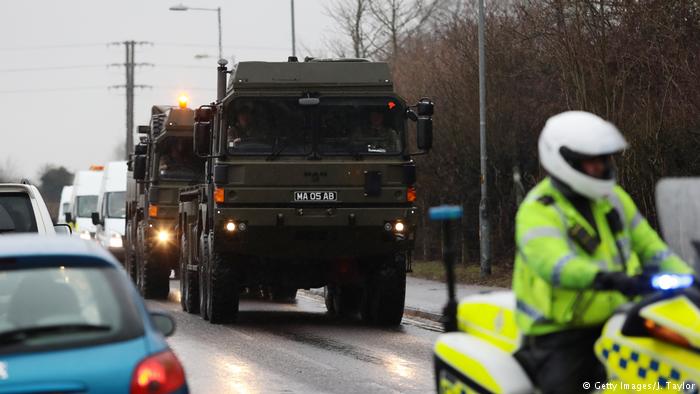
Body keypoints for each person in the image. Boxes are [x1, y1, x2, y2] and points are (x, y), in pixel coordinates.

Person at [512, 111, 693, 393]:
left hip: (619, 316)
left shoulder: (613, 199)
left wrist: (690, 278)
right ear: (565, 160)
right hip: (560, 334)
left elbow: (652, 248)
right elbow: (557, 265)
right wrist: (607, 279)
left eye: (604, 159)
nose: (601, 166)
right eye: (591, 160)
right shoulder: (538, 210)